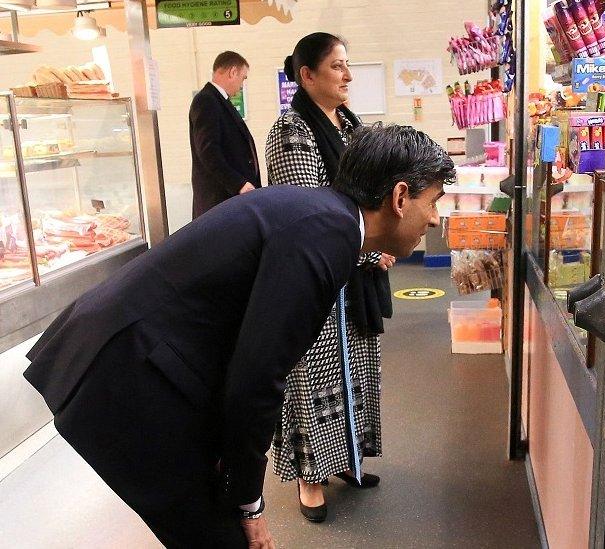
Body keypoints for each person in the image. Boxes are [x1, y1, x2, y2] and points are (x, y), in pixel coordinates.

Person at [23, 124, 455, 549]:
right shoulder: (327, 234)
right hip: (121, 376)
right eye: (432, 202)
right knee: (225, 536)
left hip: (122, 357)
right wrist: (249, 503)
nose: (434, 218)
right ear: (400, 197)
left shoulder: (318, 212)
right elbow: (259, 377)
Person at [265, 32, 395, 523]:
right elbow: (311, 211)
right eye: (337, 66)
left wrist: (379, 241)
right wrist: (367, 252)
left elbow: (371, 190)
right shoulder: (292, 129)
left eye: (348, 65)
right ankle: (310, 477)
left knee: (356, 370)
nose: (347, 75)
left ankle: (348, 459)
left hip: (356, 272)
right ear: (307, 75)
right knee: (315, 378)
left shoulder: (350, 125)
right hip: (315, 275)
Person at [189, 51, 261, 219]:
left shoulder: (219, 100)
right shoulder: (206, 100)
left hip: (231, 199)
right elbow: (208, 151)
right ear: (233, 72)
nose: (242, 85)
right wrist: (239, 184)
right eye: (243, 78)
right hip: (220, 200)